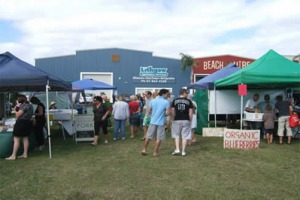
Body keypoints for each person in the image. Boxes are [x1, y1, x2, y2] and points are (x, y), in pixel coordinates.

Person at [141, 89, 170, 157]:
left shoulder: (153, 101)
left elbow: (149, 110)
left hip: (153, 121)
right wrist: (163, 114)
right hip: (161, 122)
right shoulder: (166, 102)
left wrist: (155, 114)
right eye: (167, 94)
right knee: (158, 138)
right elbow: (168, 112)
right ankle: (155, 152)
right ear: (163, 94)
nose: (168, 96)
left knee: (148, 136)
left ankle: (144, 149)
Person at [6, 95, 34, 160]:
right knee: (25, 138)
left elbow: (18, 114)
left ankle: (13, 155)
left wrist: (15, 110)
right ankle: (25, 154)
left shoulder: (24, 105)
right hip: (28, 122)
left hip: (21, 122)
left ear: (21, 99)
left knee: (16, 139)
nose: (18, 101)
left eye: (18, 100)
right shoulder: (30, 105)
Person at [171, 88, 193, 156]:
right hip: (186, 119)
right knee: (185, 136)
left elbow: (173, 111)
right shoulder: (189, 101)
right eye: (186, 93)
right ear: (183, 93)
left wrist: (173, 118)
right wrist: (190, 120)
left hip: (177, 119)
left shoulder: (174, 101)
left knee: (176, 135)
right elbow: (190, 112)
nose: (187, 94)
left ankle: (177, 149)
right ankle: (183, 151)